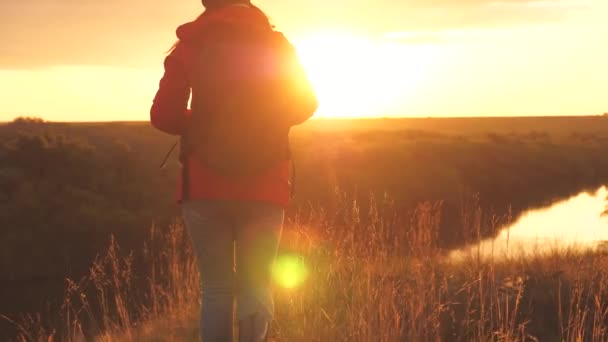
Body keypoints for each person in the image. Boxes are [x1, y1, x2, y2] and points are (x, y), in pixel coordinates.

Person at [150, 0, 318, 341]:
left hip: (204, 186)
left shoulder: (192, 44)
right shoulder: (275, 45)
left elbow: (163, 115)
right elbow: (305, 103)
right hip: (265, 184)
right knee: (256, 285)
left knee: (216, 289)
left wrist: (204, 125)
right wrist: (261, 122)